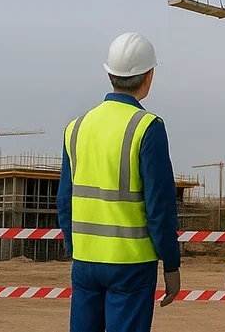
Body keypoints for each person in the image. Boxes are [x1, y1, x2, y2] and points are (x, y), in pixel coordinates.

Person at [57, 32, 182, 332]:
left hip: (86, 262)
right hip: (131, 265)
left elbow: (64, 201)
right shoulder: (147, 128)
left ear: (109, 74)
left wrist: (77, 249)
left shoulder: (75, 128)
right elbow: (160, 207)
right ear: (149, 76)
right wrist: (171, 262)